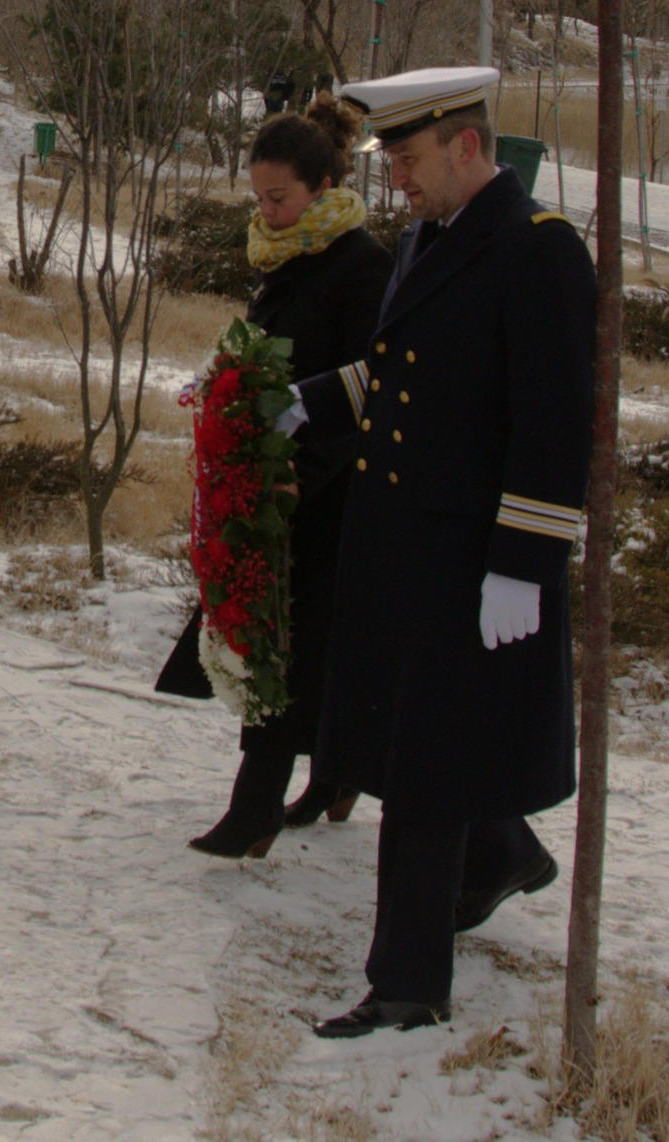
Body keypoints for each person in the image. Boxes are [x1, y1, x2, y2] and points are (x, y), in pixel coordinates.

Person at [281, 67, 596, 1039]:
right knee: (426, 747)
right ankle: (498, 849)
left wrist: (523, 560)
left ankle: (406, 986)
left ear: (465, 147)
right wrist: (303, 400)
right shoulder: (433, 234)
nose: (395, 184)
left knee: (419, 771)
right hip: (403, 552)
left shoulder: (536, 252)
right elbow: (402, 372)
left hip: (469, 558)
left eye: (408, 161)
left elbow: (550, 419)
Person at [158, 95, 392, 857]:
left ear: (324, 187)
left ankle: (257, 805)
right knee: (297, 645)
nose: (267, 210)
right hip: (273, 483)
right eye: (258, 196)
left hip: (330, 493)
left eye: (279, 197)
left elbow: (371, 392)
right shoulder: (283, 255)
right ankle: (331, 777)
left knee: (290, 645)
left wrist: (304, 474)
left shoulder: (363, 267)